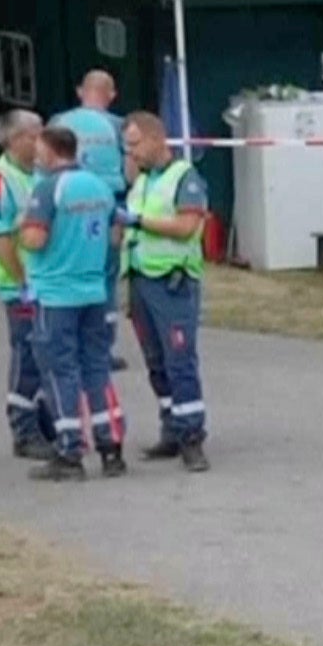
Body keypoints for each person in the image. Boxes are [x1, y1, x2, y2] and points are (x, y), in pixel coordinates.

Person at [18, 123, 123, 481]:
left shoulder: (48, 189)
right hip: (94, 289)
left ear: (49, 151)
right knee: (97, 368)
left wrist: (22, 224)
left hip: (57, 293)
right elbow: (115, 231)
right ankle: (111, 447)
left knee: (59, 370)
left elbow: (34, 239)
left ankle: (70, 450)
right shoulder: (99, 186)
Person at [120, 112, 212, 472]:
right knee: (156, 364)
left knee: (180, 361)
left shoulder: (184, 178)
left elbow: (187, 227)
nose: (131, 153)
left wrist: (139, 222)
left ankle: (193, 438)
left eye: (135, 144)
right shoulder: (142, 182)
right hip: (142, 280)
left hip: (173, 283)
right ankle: (172, 429)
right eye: (126, 146)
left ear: (158, 139)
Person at [0, 109, 57, 461]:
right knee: (27, 354)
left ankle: (42, 419)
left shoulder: (39, 172)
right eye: (35, 134)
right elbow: (1, 240)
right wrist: (22, 281)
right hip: (19, 284)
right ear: (15, 139)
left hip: (44, 280)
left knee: (46, 353)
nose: (42, 139)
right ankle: (23, 429)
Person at [49, 71, 129, 359]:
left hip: (64, 210)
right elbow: (128, 173)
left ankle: (66, 343)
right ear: (111, 95)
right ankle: (101, 349)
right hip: (104, 211)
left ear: (80, 91)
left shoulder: (58, 122)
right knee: (104, 280)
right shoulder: (119, 127)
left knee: (66, 272)